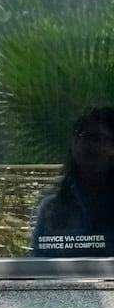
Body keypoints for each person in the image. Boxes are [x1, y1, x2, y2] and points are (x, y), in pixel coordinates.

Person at [28, 106, 114, 257]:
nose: (85, 144)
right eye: (79, 135)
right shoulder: (51, 204)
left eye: (95, 138)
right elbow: (37, 262)